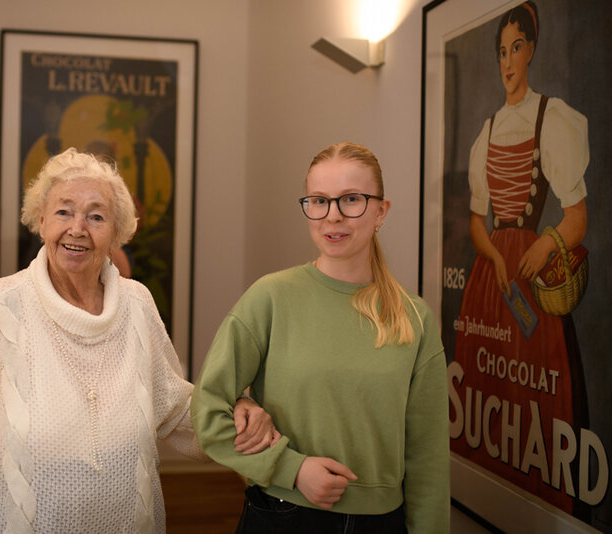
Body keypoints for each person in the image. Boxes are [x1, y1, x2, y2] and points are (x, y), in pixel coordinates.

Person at [0, 148, 277, 532]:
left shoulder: (137, 304)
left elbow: (172, 408)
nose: (77, 228)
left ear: (116, 234)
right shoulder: (5, 304)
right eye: (63, 211)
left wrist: (234, 414)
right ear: (41, 221)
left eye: (95, 216)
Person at [192, 141, 450, 533]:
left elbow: (428, 457)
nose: (333, 216)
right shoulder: (271, 297)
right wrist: (291, 469)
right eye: (318, 201)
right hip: (283, 513)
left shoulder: (415, 319)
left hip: (382, 524)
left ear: (382, 211)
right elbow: (207, 410)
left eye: (351, 200)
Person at [451, 1, 589, 516]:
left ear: (530, 50)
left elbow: (576, 216)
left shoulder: (551, 116)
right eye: (501, 52)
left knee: (532, 385)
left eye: (516, 48)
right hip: (493, 276)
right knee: (486, 380)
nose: (508, 61)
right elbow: (474, 222)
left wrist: (544, 243)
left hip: (530, 271)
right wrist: (494, 253)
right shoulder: (486, 130)